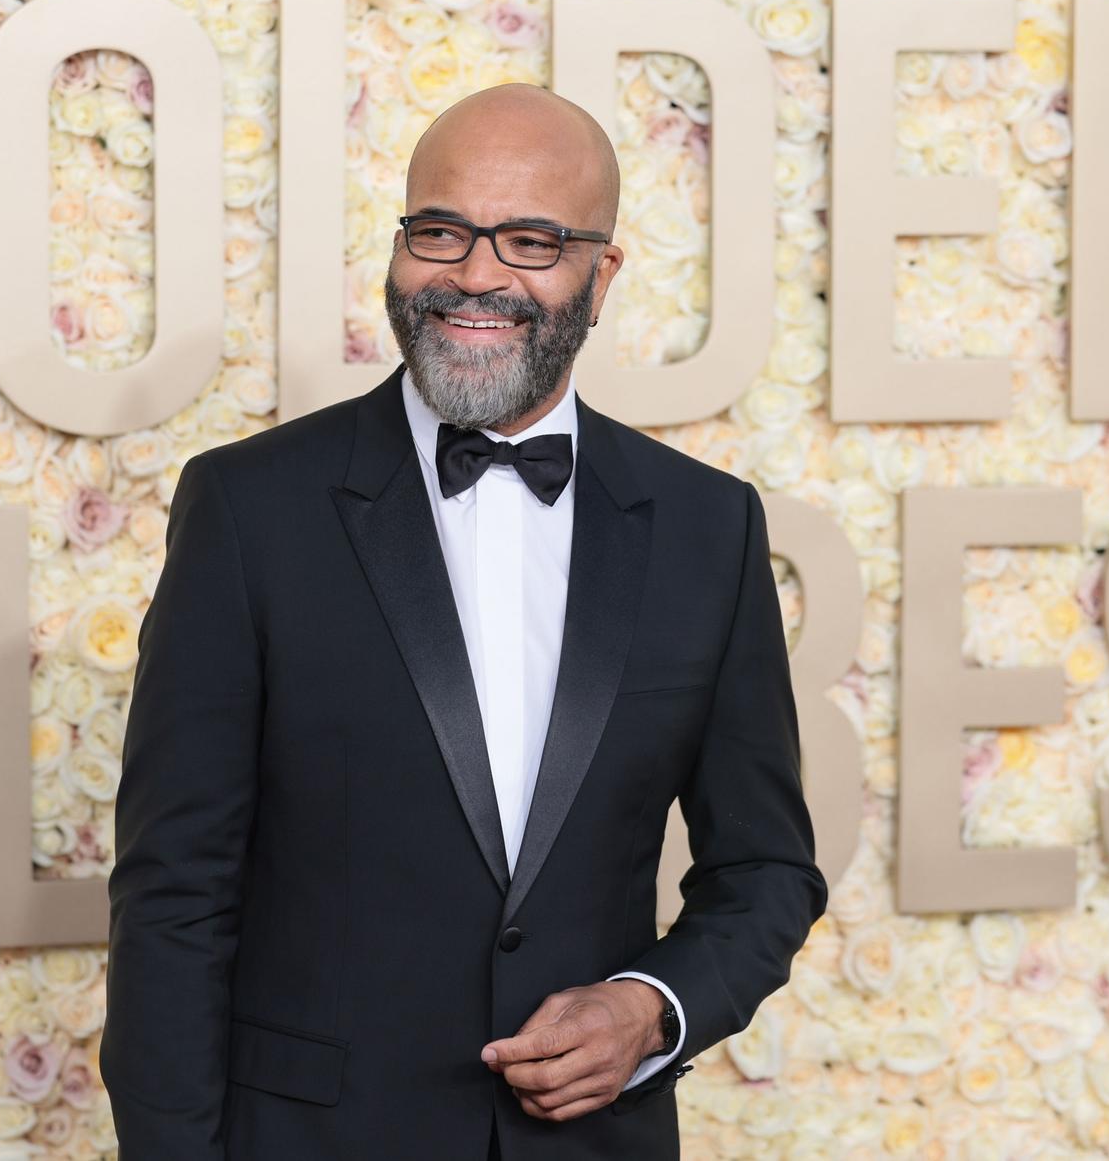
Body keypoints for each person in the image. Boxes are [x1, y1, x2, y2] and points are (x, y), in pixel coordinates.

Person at [101, 83, 826, 1160]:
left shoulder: (705, 528)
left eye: (531, 240)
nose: (475, 274)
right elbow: (171, 898)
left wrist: (648, 1008)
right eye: (440, 231)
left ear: (601, 274)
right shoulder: (249, 510)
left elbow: (764, 871)